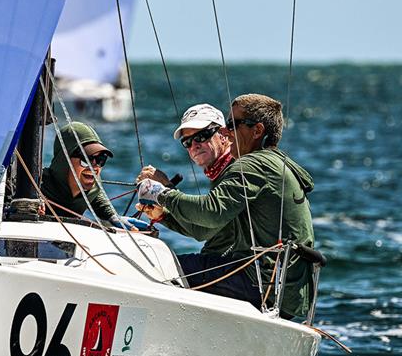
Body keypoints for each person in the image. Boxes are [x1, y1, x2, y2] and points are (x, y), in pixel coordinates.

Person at [136, 97, 315, 318]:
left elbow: (211, 215)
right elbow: (206, 229)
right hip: (282, 288)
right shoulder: (267, 162)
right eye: (187, 142)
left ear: (257, 130)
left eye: (232, 125)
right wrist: (164, 215)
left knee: (158, 268)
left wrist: (162, 193)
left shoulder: (251, 165)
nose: (228, 131)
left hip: (262, 283)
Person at [40, 121, 135, 229]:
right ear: (64, 160)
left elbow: (95, 194)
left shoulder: (92, 186)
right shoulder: (37, 185)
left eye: (101, 159)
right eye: (86, 159)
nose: (95, 167)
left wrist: (113, 216)